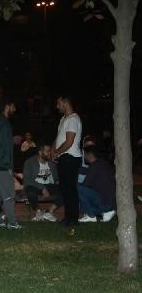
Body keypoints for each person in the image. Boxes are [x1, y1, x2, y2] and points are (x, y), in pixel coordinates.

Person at [0, 99, 21, 229]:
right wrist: (5, 162)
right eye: (13, 106)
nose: (15, 109)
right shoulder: (4, 123)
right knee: (9, 194)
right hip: (2, 163)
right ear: (7, 106)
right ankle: (12, 222)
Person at [52, 95, 83, 227]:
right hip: (63, 157)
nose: (57, 106)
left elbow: (69, 141)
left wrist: (58, 152)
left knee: (70, 189)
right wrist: (53, 149)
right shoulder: (63, 119)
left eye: (59, 103)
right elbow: (58, 137)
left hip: (70, 158)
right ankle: (68, 217)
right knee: (65, 189)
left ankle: (73, 219)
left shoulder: (73, 119)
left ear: (66, 102)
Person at [22, 143, 63, 221]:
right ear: (40, 152)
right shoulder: (30, 162)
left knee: (67, 190)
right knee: (30, 191)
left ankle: (49, 212)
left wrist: (58, 181)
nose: (49, 153)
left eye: (50, 151)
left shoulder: (51, 163)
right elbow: (27, 179)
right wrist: (43, 188)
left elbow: (56, 177)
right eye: (47, 151)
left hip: (49, 185)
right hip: (35, 186)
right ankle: (38, 212)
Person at [78, 146, 116, 222]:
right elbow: (85, 170)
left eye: (85, 154)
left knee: (76, 188)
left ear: (90, 155)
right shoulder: (102, 163)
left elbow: (84, 185)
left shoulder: (94, 167)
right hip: (110, 203)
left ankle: (91, 215)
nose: (84, 157)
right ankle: (107, 212)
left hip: (104, 203)